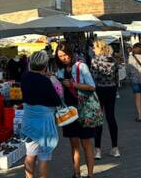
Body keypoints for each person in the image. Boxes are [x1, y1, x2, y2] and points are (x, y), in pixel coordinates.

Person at [55, 41, 97, 178]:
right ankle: (76, 173)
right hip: (68, 112)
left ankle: (90, 174)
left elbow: (92, 86)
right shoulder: (59, 71)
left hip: (83, 109)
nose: (63, 58)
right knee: (74, 144)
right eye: (60, 56)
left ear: (70, 53)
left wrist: (73, 84)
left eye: (65, 55)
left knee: (86, 143)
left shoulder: (81, 66)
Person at [21, 51, 61, 178]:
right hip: (44, 124)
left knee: (30, 154)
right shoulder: (45, 81)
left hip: (29, 121)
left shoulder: (25, 78)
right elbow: (57, 101)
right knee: (44, 156)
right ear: (44, 66)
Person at [90, 39, 120, 159]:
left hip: (99, 90)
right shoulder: (113, 60)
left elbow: (93, 77)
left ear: (100, 48)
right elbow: (117, 79)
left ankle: (97, 150)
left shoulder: (95, 61)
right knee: (111, 118)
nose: (93, 49)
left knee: (98, 119)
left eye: (94, 47)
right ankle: (115, 148)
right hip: (111, 90)